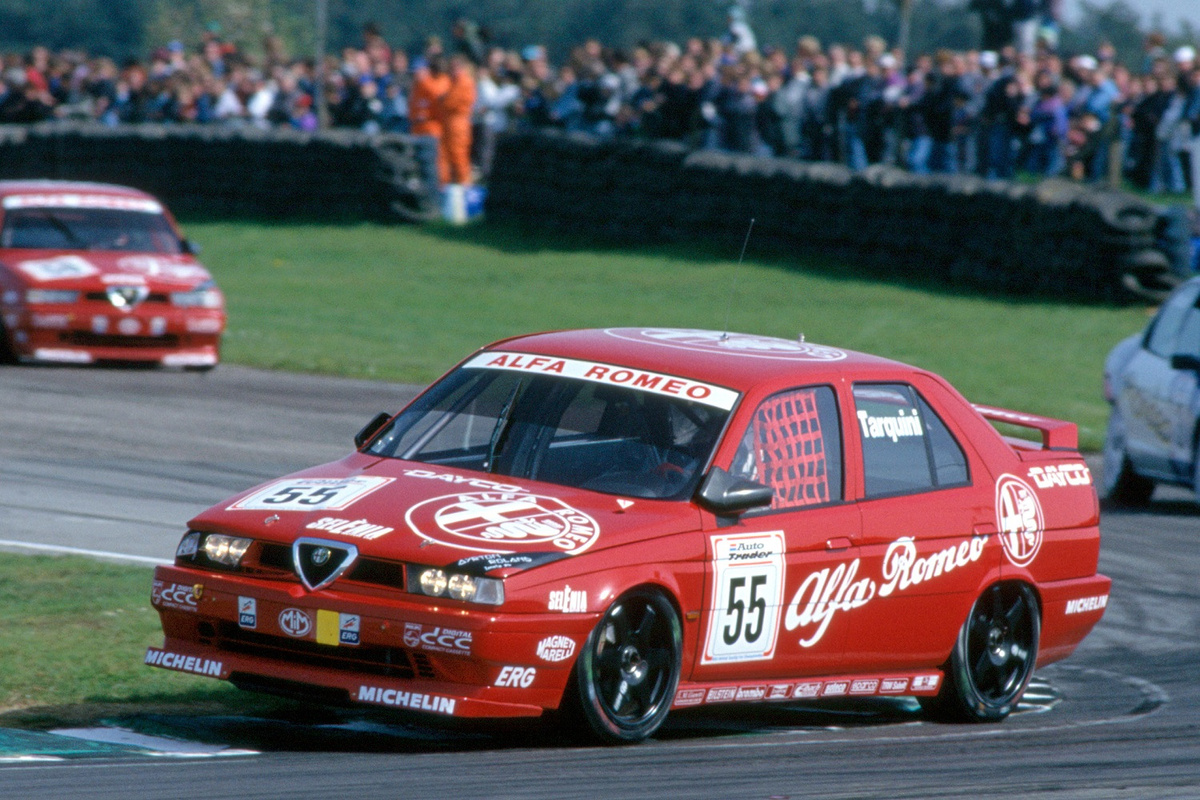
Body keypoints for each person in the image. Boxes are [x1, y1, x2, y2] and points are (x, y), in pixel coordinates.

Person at [440, 53, 477, 186]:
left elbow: (449, 102)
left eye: (456, 67)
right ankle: (446, 189)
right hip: (448, 123)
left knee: (459, 156)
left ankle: (465, 186)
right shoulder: (451, 82)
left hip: (459, 123)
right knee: (444, 157)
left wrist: (442, 100)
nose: (453, 70)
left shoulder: (464, 81)